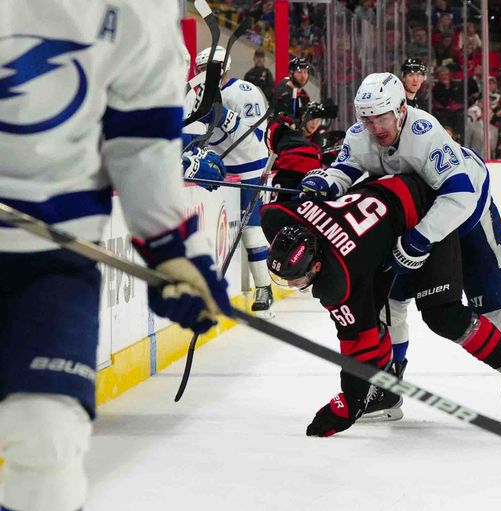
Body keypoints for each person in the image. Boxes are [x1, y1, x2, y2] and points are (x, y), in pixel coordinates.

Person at [0, 3, 232, 510]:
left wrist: (176, 252)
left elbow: (143, 146)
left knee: (47, 440)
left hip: (52, 262)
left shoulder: (140, 11)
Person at [298, 73, 501, 422]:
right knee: (391, 303)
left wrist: (419, 239)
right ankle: (388, 391)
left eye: (382, 117)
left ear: (402, 110)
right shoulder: (360, 136)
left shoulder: (425, 134)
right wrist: (325, 182)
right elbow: (345, 168)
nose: (375, 126)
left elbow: (459, 195)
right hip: (414, 224)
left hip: (467, 221)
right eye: (367, 118)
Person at [261, 176, 501, 435]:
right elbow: (277, 205)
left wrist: (349, 404)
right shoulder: (282, 219)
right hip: (383, 211)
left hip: (424, 215)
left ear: (318, 265)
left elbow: (358, 345)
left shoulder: (339, 280)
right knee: (376, 312)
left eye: (297, 279)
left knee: (442, 314)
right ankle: (387, 389)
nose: (294, 285)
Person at [184, 46, 275, 317]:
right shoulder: (193, 98)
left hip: (250, 167)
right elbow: (186, 136)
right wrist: (195, 157)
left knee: (250, 228)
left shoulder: (244, 92)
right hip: (219, 168)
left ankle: (264, 288)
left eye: (208, 70)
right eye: (201, 71)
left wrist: (223, 116)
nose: (205, 76)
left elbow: (254, 140)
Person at [271, 56, 312, 122]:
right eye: (299, 72)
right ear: (291, 73)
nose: (303, 76)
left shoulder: (304, 95)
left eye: (305, 72)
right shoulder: (280, 92)